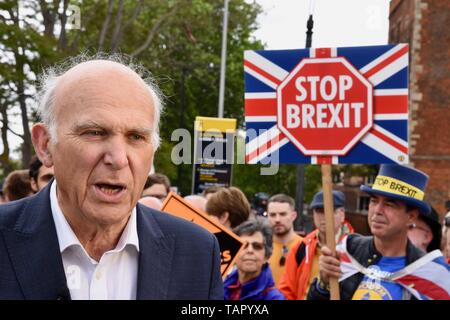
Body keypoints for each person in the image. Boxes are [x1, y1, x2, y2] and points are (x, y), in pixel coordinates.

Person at [0, 56, 223, 300]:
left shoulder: (197, 253)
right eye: (95, 133)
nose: (118, 158)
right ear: (45, 145)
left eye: (136, 137)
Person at [308, 164, 450, 300]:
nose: (377, 210)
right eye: (374, 201)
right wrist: (323, 285)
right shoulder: (347, 251)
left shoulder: (434, 273)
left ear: (411, 216)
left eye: (389, 204)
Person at [279, 190, 352, 300]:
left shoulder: (355, 248)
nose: (324, 216)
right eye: (319, 211)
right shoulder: (301, 248)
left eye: (329, 210)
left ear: (342, 214)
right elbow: (286, 291)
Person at [223, 218, 285, 300]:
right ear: (234, 253)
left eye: (257, 246)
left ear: (266, 257)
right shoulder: (220, 290)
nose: (250, 250)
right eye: (244, 246)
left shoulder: (275, 298)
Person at [266, 194, 303, 286]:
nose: (277, 219)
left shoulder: (305, 246)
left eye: (283, 214)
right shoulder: (260, 248)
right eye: (273, 215)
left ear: (293, 216)